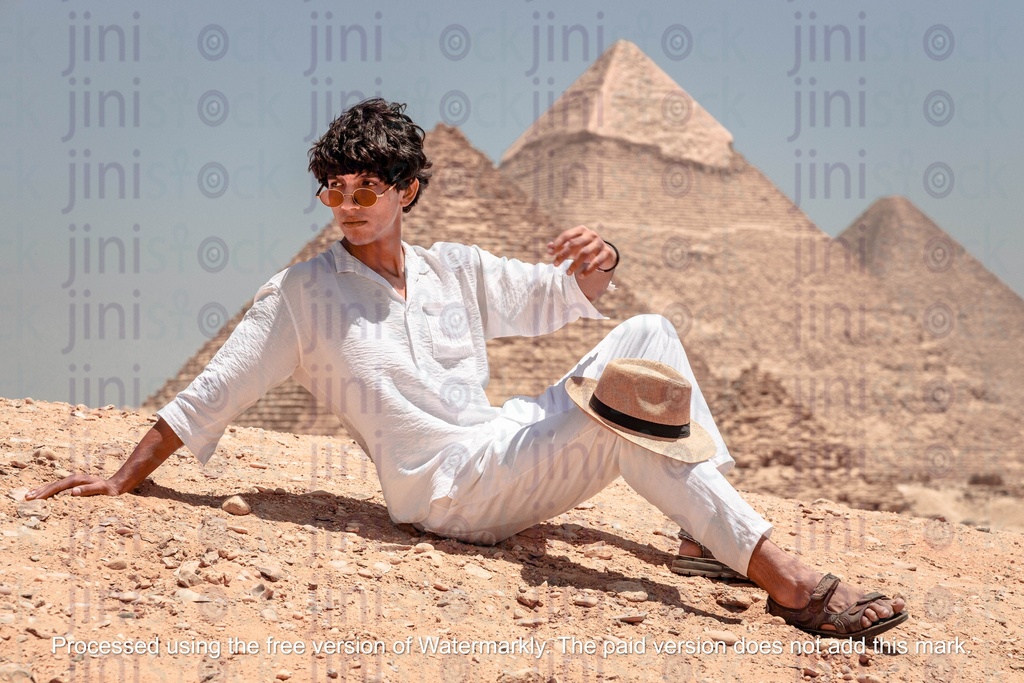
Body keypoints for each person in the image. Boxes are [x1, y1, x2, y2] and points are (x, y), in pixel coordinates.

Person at [28, 98, 906, 639]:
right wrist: (121, 476)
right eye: (332, 190)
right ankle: (786, 581)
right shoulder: (303, 293)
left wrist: (601, 254)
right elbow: (213, 387)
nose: (346, 206)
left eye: (365, 188)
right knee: (620, 411)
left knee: (650, 331)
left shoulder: (455, 269)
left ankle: (703, 533)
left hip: (503, 445)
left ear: (407, 188)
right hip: (444, 489)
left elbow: (569, 293)